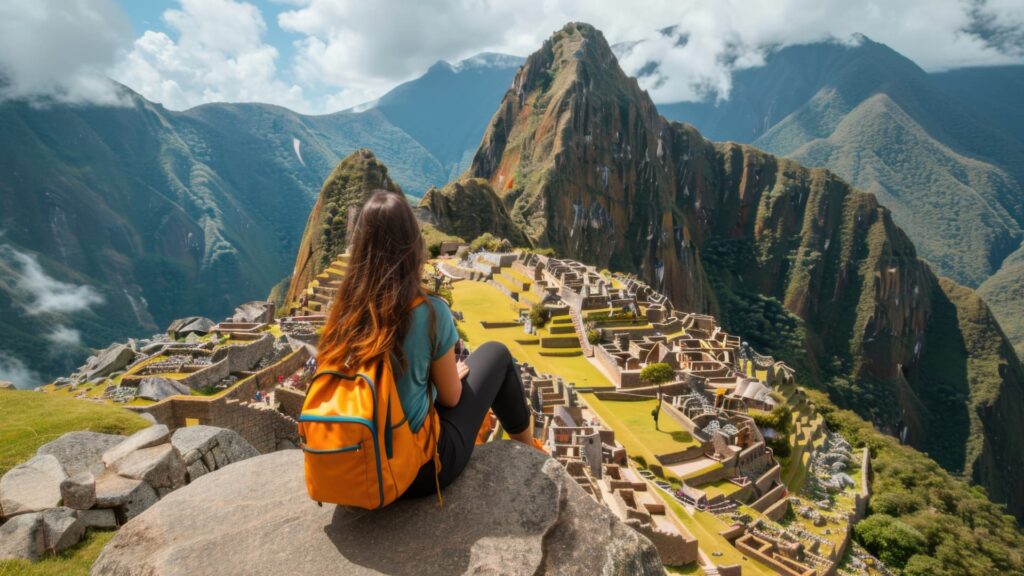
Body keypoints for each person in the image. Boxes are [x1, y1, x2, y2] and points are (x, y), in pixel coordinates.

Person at [317, 190, 539, 501]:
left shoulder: (341, 314)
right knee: (497, 355)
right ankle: (531, 453)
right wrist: (444, 380)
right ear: (412, 245)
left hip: (354, 466)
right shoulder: (429, 312)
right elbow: (451, 398)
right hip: (417, 472)